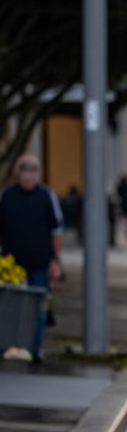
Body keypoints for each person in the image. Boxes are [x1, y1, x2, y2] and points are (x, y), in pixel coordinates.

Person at [0, 154, 63, 362]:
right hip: (11, 263)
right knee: (9, 307)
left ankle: (34, 349)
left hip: (40, 261)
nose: (29, 177)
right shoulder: (6, 197)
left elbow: (56, 230)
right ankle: (7, 344)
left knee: (39, 307)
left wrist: (55, 260)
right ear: (18, 174)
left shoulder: (46, 196)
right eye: (25, 172)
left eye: (33, 172)